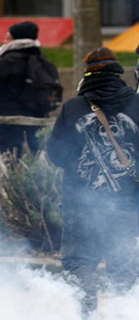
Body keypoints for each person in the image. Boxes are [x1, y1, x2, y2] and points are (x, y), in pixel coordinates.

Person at [47, 47, 139, 318]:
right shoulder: (137, 104)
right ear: (118, 71)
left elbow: (56, 154)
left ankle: (85, 314)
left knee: (80, 264)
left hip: (81, 204)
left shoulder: (73, 108)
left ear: (87, 74)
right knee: (123, 270)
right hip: (127, 204)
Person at [0, 21, 48, 158]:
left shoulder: (9, 60)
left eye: (8, 38)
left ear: (18, 40)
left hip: (9, 121)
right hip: (37, 119)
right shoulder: (41, 58)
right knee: (32, 159)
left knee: (12, 158)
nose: (4, 41)